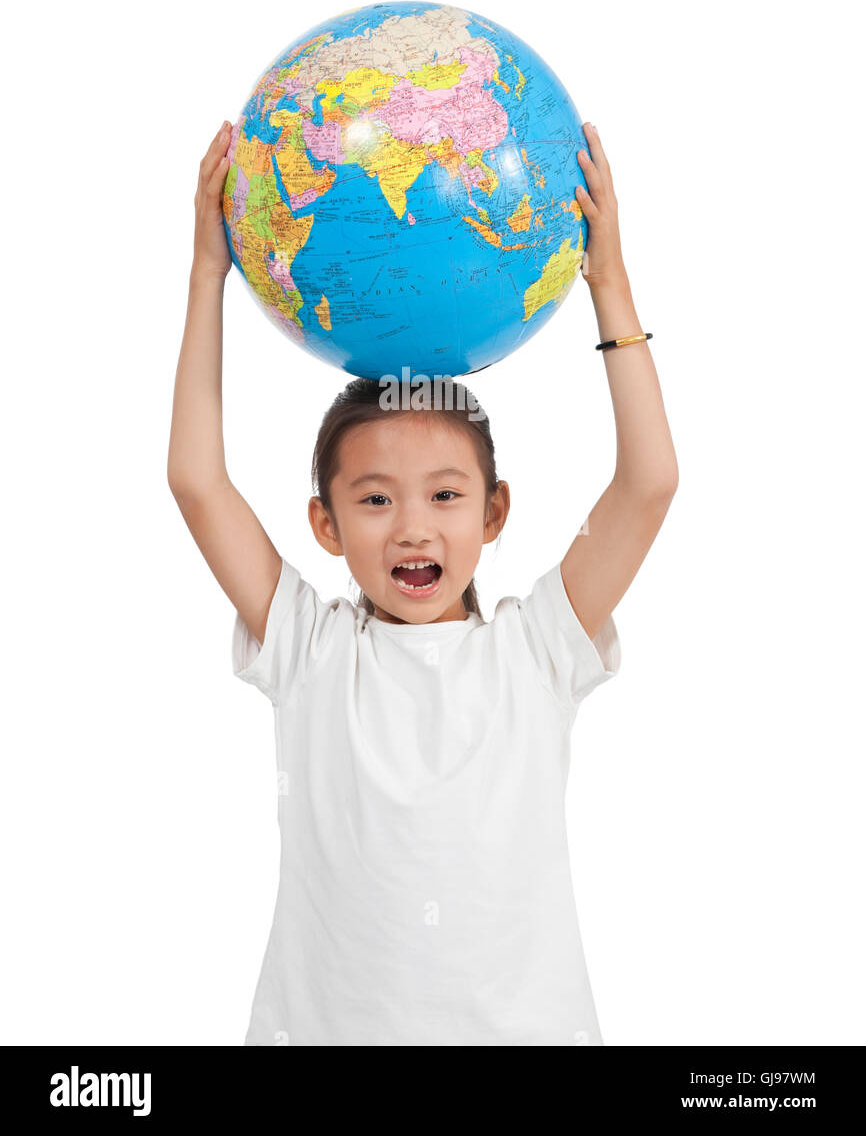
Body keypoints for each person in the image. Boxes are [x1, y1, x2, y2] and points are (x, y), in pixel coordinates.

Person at [167, 118, 678, 1046]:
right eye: (373, 499)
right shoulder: (309, 649)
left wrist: (610, 284)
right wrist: (209, 278)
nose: (412, 526)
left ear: (493, 515)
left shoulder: (538, 651)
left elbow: (650, 485)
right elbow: (197, 483)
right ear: (323, 524)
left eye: (446, 495)